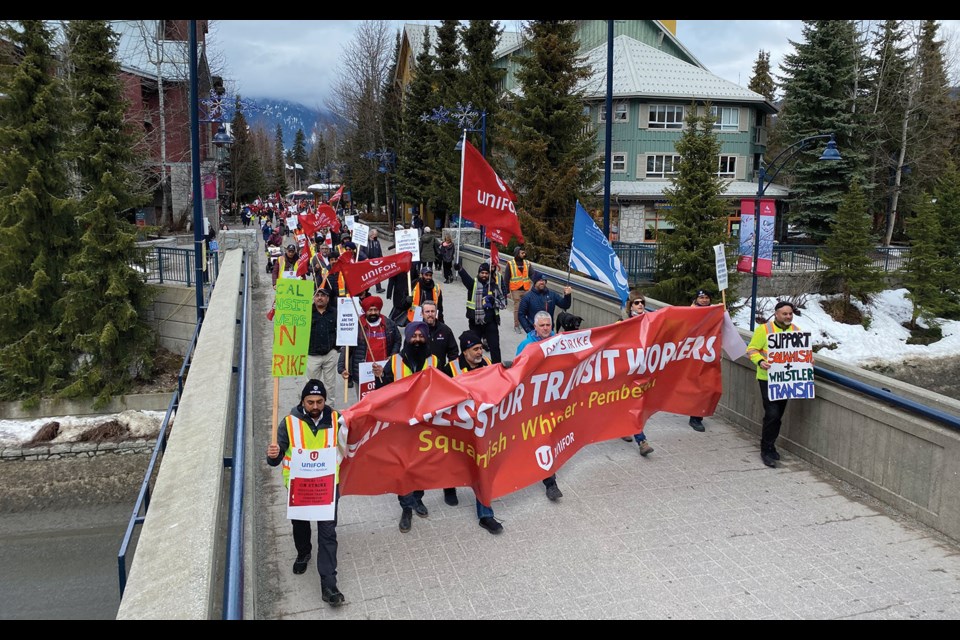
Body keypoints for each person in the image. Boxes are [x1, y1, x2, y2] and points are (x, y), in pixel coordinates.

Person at [265, 379, 346, 607]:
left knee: (328, 533)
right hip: (299, 488)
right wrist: (273, 454)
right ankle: (303, 552)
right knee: (300, 525)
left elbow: (350, 443)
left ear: (325, 401)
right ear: (302, 401)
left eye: (319, 401)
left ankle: (329, 585)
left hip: (327, 487)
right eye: (310, 402)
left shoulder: (337, 420)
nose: (315, 406)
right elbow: (276, 458)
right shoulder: (288, 423)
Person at [372, 321, 439, 533]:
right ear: (407, 337)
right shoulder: (394, 361)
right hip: (401, 425)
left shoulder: (435, 360)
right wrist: (379, 377)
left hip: (426, 425)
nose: (417, 340)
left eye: (421, 336)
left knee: (421, 465)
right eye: (414, 336)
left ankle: (418, 498)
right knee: (403, 467)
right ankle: (406, 506)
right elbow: (384, 392)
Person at [440, 330, 503, 534]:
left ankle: (485, 514)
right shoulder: (450, 369)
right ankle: (449, 486)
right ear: (465, 351)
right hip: (458, 426)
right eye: (475, 349)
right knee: (454, 458)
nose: (479, 352)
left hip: (481, 425)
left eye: (480, 348)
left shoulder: (486, 363)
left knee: (481, 466)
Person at [513, 311, 564, 501]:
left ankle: (548, 477)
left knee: (546, 437)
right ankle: (549, 482)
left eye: (548, 325)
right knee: (540, 437)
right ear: (534, 326)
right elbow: (517, 373)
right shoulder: (526, 346)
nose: (545, 328)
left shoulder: (559, 341)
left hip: (553, 398)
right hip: (533, 401)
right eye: (541, 325)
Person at [747, 300, 804, 468]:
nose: (788, 316)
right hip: (767, 378)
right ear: (776, 314)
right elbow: (751, 349)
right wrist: (760, 361)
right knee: (772, 413)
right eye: (785, 313)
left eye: (790, 313)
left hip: (786, 380)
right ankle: (765, 449)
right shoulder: (763, 330)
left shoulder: (796, 331)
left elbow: (800, 353)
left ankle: (771, 445)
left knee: (778, 415)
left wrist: (807, 361)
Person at [337, 295, 401, 389]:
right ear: (365, 311)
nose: (373, 313)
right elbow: (347, 347)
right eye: (370, 310)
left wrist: (393, 355)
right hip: (362, 374)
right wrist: (342, 368)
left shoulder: (389, 324)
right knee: (364, 402)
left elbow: (397, 340)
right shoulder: (357, 326)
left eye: (375, 310)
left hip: (384, 370)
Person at [620, 290, 655, 457]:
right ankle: (642, 441)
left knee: (631, 403)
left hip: (644, 370)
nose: (640, 305)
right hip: (627, 371)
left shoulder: (650, 321)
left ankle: (623, 426)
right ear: (630, 305)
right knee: (634, 404)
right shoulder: (621, 323)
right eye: (636, 302)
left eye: (642, 302)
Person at [456, 260, 507, 364]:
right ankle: (471, 366)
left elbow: (503, 304)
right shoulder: (473, 284)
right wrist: (460, 269)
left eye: (486, 273)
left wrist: (494, 301)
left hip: (491, 322)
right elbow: (465, 278)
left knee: (495, 347)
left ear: (489, 274)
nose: (484, 275)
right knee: (473, 347)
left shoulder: (494, 286)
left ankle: (496, 368)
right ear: (478, 273)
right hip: (476, 323)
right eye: (482, 273)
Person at [307, 286, 340, 409]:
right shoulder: (306, 312)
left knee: (329, 385)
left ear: (328, 298)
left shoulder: (335, 312)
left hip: (329, 354)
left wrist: (335, 348)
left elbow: (342, 330)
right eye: (317, 295)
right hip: (311, 355)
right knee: (312, 385)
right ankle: (311, 408)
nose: (319, 298)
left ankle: (329, 409)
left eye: (323, 295)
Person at [687, 289, 714, 432]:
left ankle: (698, 415)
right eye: (701, 297)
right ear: (696, 299)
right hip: (692, 355)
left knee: (705, 385)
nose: (704, 300)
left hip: (707, 354)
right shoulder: (690, 312)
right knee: (695, 385)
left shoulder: (714, 312)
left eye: (707, 298)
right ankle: (694, 416)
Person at [503, 246, 533, 333]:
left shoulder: (527, 263)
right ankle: (517, 325)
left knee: (527, 307)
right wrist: (507, 292)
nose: (524, 254)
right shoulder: (510, 264)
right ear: (517, 253)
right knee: (517, 308)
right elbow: (506, 278)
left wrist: (539, 281)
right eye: (522, 253)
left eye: (524, 252)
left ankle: (526, 323)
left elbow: (532, 275)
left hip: (526, 289)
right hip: (516, 289)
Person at [420, 299, 458, 366]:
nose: (430, 314)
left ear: (436, 313)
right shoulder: (416, 330)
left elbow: (453, 352)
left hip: (439, 371)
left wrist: (449, 369)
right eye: (427, 312)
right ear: (422, 314)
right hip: (421, 371)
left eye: (432, 311)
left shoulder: (445, 330)